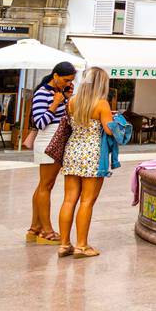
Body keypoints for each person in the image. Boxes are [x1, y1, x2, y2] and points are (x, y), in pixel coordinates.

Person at [57, 67, 117, 258]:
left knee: (68, 199)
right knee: (87, 201)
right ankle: (82, 246)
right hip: (92, 154)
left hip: (73, 150)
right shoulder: (101, 104)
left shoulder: (72, 102)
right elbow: (110, 131)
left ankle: (64, 244)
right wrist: (115, 120)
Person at [27, 61, 75, 245]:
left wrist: (66, 98)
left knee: (43, 186)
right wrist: (55, 103)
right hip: (48, 140)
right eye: (66, 79)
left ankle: (34, 228)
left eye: (71, 80)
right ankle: (46, 231)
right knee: (46, 186)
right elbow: (40, 122)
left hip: (55, 139)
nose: (68, 83)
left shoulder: (60, 93)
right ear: (55, 76)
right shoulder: (43, 93)